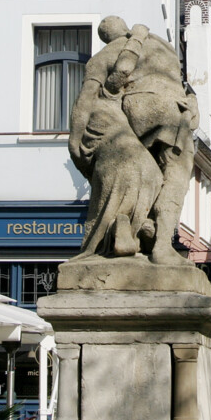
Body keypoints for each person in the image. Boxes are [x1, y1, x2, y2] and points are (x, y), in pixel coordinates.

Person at [69, 17, 197, 264]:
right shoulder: (162, 44)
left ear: (105, 37)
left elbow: (85, 100)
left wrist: (75, 141)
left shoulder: (103, 56)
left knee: (140, 170)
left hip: (134, 108)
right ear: (124, 27)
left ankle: (135, 227)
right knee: (175, 174)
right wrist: (191, 105)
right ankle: (162, 245)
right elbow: (182, 84)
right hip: (172, 108)